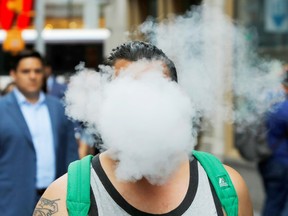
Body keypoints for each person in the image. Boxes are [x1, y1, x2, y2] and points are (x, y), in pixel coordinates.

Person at [34, 41, 253, 215]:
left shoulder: (226, 186)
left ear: (178, 100)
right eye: (126, 92)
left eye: (154, 89)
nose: (142, 103)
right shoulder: (65, 197)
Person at [0, 49, 79, 216]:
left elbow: (70, 155)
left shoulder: (58, 108)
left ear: (44, 73)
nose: (33, 76)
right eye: (26, 71)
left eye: (37, 71)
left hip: (54, 201)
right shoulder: (2, 109)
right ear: (14, 74)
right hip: (11, 202)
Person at [258, 70, 288, 216]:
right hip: (280, 162)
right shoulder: (283, 107)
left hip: (267, 159)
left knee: (272, 200)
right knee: (276, 204)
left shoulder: (269, 99)